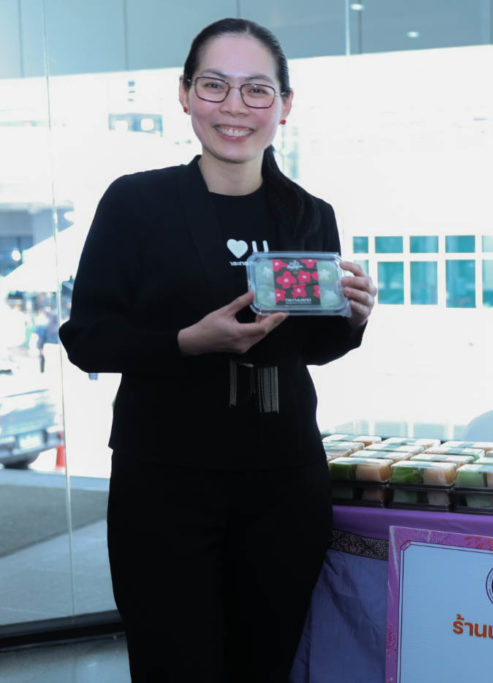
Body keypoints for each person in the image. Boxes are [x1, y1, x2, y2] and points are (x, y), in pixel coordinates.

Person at [59, 18, 377, 681]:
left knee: (266, 663)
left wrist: (352, 318)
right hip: (165, 481)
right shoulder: (136, 202)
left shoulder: (308, 213)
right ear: (184, 94)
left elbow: (313, 347)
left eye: (257, 89)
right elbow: (87, 338)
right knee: (173, 663)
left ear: (284, 105)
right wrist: (188, 341)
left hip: (284, 480)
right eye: (214, 85)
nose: (235, 107)